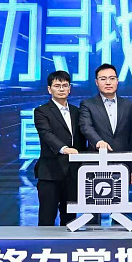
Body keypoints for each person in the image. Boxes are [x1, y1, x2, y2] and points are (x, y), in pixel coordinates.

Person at [33, 70, 86, 226]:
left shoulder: (77, 112)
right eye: (57, 86)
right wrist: (64, 148)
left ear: (70, 88)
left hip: (73, 173)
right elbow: (46, 134)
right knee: (47, 217)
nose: (61, 89)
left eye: (65, 85)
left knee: (70, 219)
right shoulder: (41, 111)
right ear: (49, 89)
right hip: (50, 172)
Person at [79, 64, 132, 184]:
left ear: (117, 81)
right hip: (96, 164)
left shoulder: (128, 105)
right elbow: (86, 127)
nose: (108, 82)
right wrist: (98, 142)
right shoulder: (87, 104)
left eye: (112, 78)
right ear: (96, 82)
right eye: (103, 79)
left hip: (122, 165)